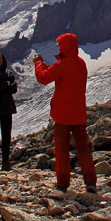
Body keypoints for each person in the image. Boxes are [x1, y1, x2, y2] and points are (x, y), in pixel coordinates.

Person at [34, 33, 97, 194]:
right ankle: (90, 182)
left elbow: (44, 77)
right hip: (78, 113)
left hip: (63, 113)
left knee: (61, 149)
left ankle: (62, 182)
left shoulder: (63, 64)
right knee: (83, 148)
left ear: (65, 46)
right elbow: (61, 72)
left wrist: (38, 63)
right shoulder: (80, 63)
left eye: (60, 45)